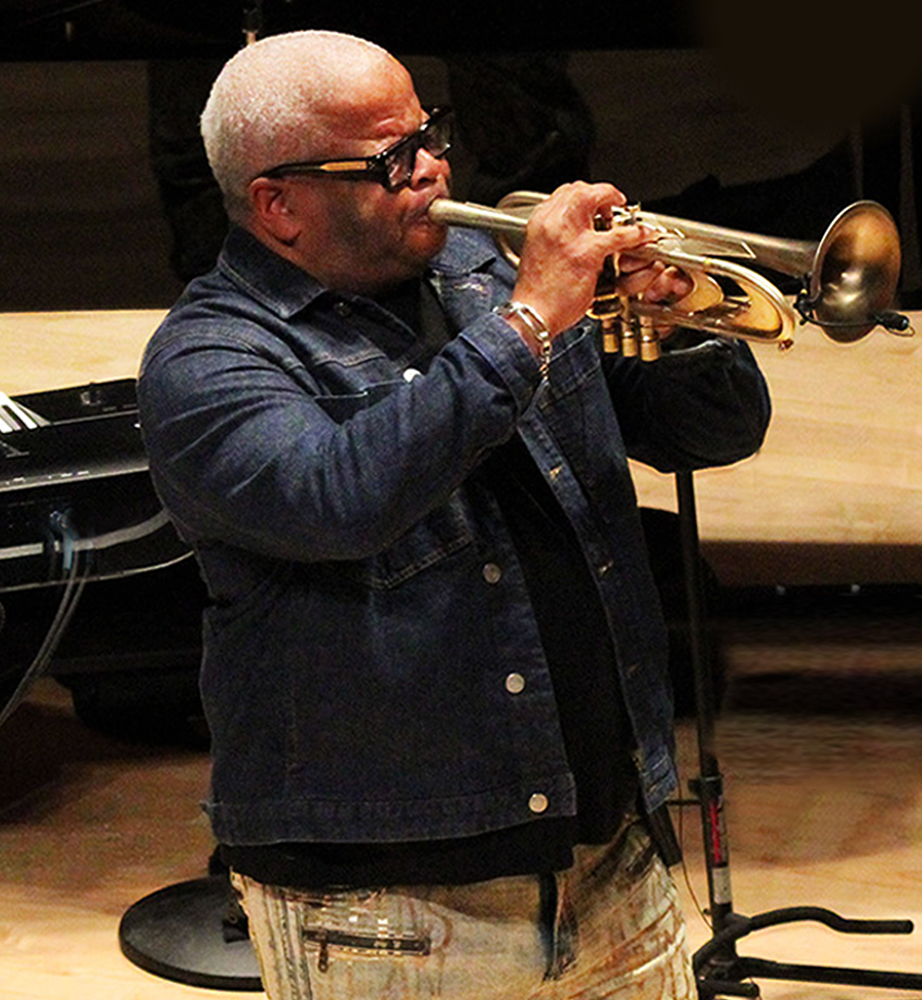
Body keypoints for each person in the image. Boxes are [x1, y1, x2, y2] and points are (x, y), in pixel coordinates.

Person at [136, 29, 771, 1000]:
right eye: (392, 159)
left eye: (429, 133)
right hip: (390, 905)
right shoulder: (210, 360)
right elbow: (342, 496)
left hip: (607, 848)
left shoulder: (481, 273)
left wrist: (680, 315)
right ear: (280, 205)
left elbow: (712, 431)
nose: (433, 167)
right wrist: (528, 325)